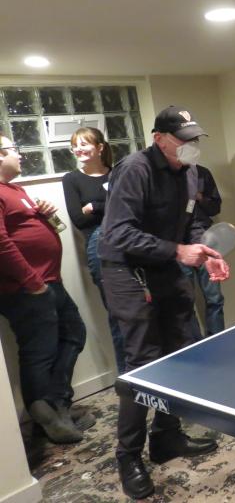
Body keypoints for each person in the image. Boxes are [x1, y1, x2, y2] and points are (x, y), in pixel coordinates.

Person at [99, 106, 229, 499]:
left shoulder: (190, 174)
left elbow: (192, 223)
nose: (192, 146)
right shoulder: (135, 169)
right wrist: (177, 251)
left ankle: (166, 437)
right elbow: (118, 232)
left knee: (182, 353)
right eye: (184, 139)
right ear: (160, 139)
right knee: (144, 363)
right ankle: (128, 456)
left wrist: (207, 249)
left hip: (165, 267)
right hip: (126, 271)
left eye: (195, 139)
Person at [0, 132, 90, 444]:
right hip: (26, 290)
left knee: (74, 334)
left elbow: (31, 231)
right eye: (13, 149)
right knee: (39, 353)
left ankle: (56, 403)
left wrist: (46, 216)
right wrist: (32, 281)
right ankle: (47, 419)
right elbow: (1, 243)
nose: (19, 154)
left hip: (49, 282)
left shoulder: (15, 189)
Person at [62, 127, 126, 373]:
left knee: (141, 309)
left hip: (126, 242)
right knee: (117, 314)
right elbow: (79, 219)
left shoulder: (117, 173)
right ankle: (127, 378)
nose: (78, 149)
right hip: (98, 248)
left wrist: (94, 206)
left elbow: (125, 208)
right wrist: (104, 205)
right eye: (75, 145)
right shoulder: (71, 179)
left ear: (100, 147)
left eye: (84, 144)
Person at [180, 164, 225, 337]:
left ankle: (218, 340)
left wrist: (200, 197)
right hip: (178, 244)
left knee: (214, 298)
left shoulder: (203, 172)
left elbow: (215, 208)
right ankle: (194, 345)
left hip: (204, 238)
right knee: (185, 301)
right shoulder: (162, 177)